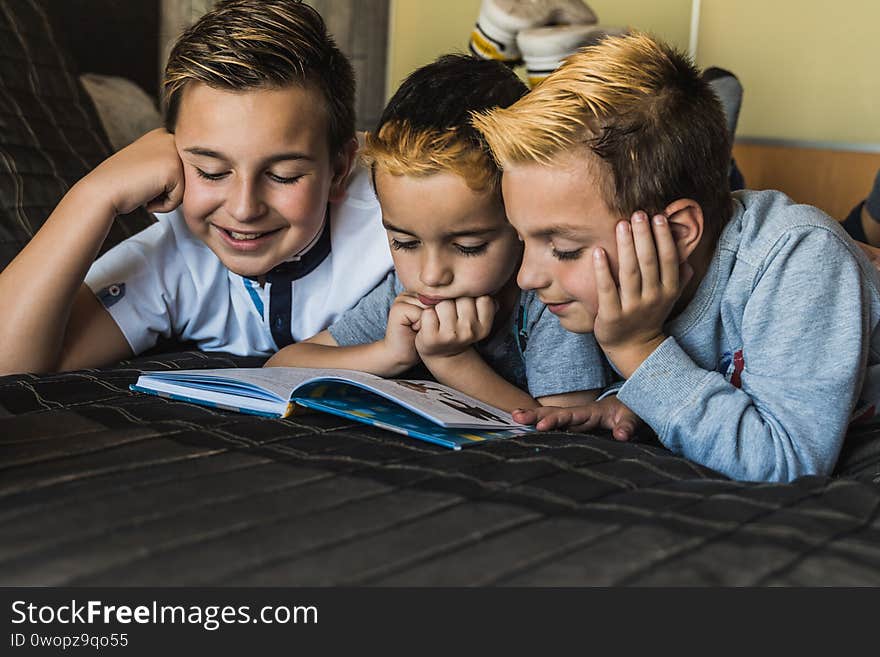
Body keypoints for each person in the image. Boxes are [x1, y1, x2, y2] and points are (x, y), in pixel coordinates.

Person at [472, 32, 880, 482]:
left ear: (679, 232)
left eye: (565, 248)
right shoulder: (625, 289)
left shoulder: (798, 258)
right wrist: (628, 403)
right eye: (523, 240)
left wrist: (638, 350)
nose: (527, 277)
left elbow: (786, 463)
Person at [0, 0, 392, 376]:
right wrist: (93, 195)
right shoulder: (175, 255)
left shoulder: (400, 218)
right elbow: (10, 364)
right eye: (211, 171)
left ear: (339, 169)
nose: (243, 209)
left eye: (283, 175)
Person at [266, 54, 638, 437]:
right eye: (405, 242)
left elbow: (565, 421)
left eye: (469, 246)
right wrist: (389, 353)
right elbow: (283, 366)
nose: (431, 275)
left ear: (520, 221)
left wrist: (453, 362)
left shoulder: (550, 299)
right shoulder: (406, 292)